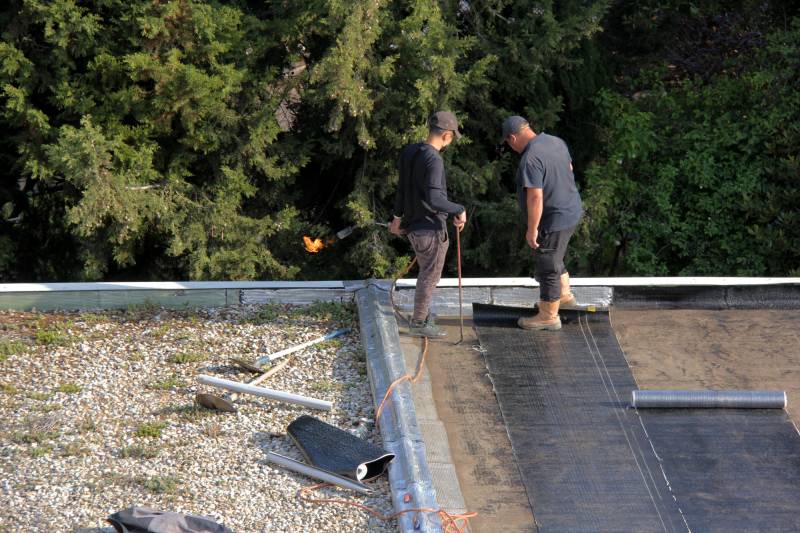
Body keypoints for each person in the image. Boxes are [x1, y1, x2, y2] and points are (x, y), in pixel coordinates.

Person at [389, 111, 467, 338]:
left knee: (427, 273)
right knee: (430, 275)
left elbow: (402, 189)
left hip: (414, 227)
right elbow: (435, 200)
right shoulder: (434, 160)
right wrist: (459, 209)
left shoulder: (410, 152)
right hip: (430, 229)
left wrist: (397, 218)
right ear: (447, 136)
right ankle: (419, 322)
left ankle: (421, 316)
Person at [502, 115, 582, 330]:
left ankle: (548, 316)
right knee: (555, 255)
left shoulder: (531, 158)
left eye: (508, 143)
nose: (511, 148)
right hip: (571, 210)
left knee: (547, 262)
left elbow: (535, 197)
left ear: (512, 138)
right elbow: (570, 169)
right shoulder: (556, 141)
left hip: (555, 217)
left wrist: (532, 229)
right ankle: (563, 297)